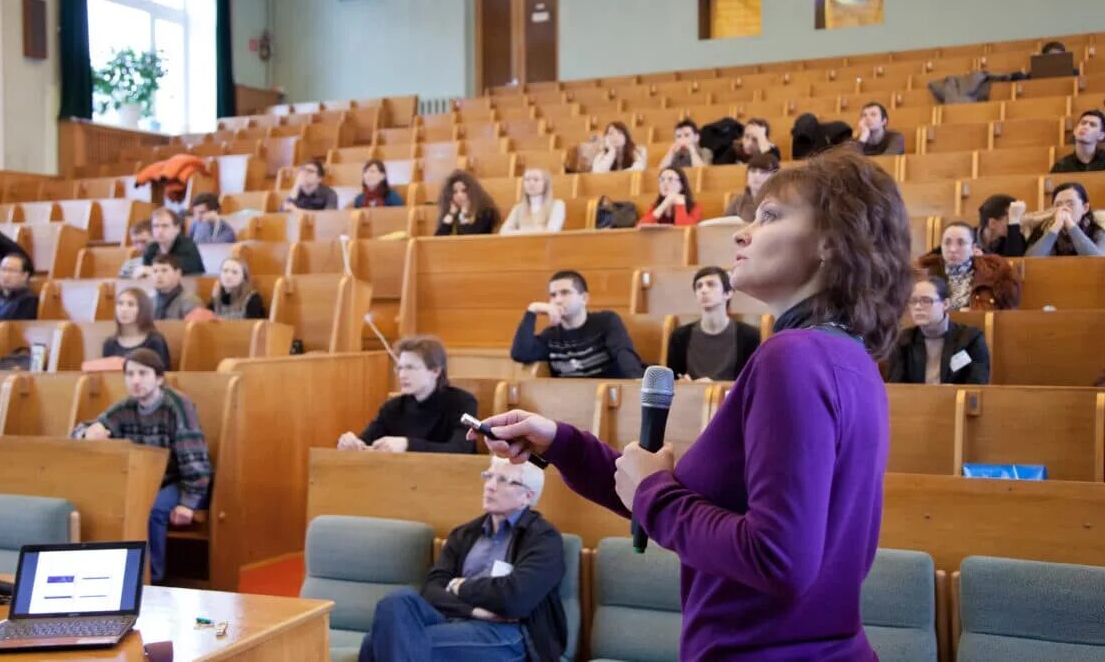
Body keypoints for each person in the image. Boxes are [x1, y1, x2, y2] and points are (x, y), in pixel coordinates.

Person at [477, 148, 915, 659]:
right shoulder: (848, 357)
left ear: (831, 243)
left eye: (770, 216)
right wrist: (562, 443)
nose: (741, 233)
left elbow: (777, 558)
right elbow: (696, 506)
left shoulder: (791, 357)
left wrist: (656, 493)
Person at [359, 456, 566, 661]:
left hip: (508, 633)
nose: (490, 486)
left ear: (527, 497)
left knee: (378, 642)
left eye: (503, 480)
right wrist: (473, 610)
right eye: (489, 476)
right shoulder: (465, 533)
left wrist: (460, 587)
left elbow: (515, 599)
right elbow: (431, 589)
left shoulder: (543, 538)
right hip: (454, 619)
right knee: (397, 601)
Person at [76, 349, 212, 584]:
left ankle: (152, 578)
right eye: (130, 374)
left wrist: (189, 502)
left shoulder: (177, 405)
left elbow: (194, 458)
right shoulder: (126, 407)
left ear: (159, 378)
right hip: (144, 483)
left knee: (151, 509)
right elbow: (89, 427)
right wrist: (87, 432)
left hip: (180, 483)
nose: (135, 380)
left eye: (143, 373)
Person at [337, 336, 477, 454]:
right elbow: (366, 441)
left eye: (410, 368)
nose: (402, 375)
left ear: (435, 371)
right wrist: (353, 444)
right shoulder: (393, 407)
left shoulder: (464, 402)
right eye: (400, 368)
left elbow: (460, 449)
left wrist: (407, 445)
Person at [510, 270, 643, 379]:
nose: (558, 300)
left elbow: (623, 354)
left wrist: (635, 383)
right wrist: (532, 310)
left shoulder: (606, 321)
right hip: (572, 402)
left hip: (610, 398)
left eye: (565, 292)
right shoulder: (550, 336)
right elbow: (520, 353)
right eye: (553, 295)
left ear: (584, 298)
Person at [886, 277, 990, 385]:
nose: (917, 307)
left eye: (926, 300)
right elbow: (897, 387)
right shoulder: (903, 340)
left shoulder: (970, 339)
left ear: (945, 304)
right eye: (913, 301)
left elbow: (977, 385)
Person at [666, 266, 761, 381]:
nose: (703, 290)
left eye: (711, 284)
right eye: (699, 286)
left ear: (728, 293)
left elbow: (751, 383)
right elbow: (672, 382)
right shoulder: (679, 336)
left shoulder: (749, 336)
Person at [919, 221, 1020, 310]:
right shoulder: (927, 273)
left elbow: (1008, 310)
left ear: (973, 248)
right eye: (947, 243)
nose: (953, 249)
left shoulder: (993, 272)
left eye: (961, 243)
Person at [1025, 182, 1105, 257]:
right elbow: (1029, 259)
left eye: (1070, 204)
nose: (1064, 208)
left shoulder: (1096, 231)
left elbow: (1097, 261)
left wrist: (1070, 224)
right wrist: (1055, 227)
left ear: (1085, 208)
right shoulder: (1043, 229)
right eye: (1058, 205)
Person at [102, 287, 172, 370]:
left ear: (143, 309)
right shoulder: (109, 343)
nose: (124, 309)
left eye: (131, 304)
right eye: (120, 303)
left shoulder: (155, 341)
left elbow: (163, 375)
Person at [499, 168, 566, 235]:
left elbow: (552, 231)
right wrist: (537, 230)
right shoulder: (518, 208)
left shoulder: (557, 205)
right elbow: (503, 232)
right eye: (527, 180)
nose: (531, 183)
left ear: (546, 183)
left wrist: (518, 231)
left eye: (536, 180)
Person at [141, 207, 205, 275]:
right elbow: (144, 271)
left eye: (165, 226)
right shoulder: (151, 248)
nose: (160, 231)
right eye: (156, 226)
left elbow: (176, 270)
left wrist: (151, 270)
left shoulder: (188, 246)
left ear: (177, 228)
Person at [0, 253, 38, 321]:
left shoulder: (29, 301)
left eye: (12, 271)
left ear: (24, 276)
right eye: (3, 269)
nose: (6, 275)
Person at [436, 170, 498, 235]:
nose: (459, 195)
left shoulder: (486, 212)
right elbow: (438, 240)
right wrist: (451, 214)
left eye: (464, 190)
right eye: (455, 192)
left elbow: (470, 238)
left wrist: (463, 214)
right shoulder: (453, 213)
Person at [724, 153, 780, 223]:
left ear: (774, 176)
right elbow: (725, 226)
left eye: (763, 172)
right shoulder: (738, 201)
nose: (756, 175)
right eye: (753, 171)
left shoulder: (782, 201)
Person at [151, 254, 205, 320]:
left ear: (178, 273)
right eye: (155, 271)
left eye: (164, 270)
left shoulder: (191, 302)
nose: (158, 275)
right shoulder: (149, 301)